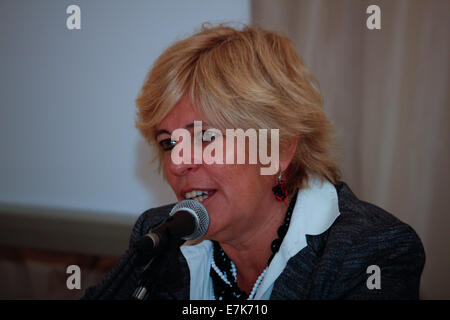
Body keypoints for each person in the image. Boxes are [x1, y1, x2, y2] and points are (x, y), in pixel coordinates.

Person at [82, 23, 425, 300]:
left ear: (279, 148)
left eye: (205, 136)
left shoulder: (369, 252)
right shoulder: (159, 237)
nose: (178, 162)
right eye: (169, 142)